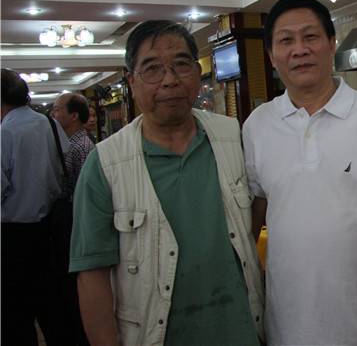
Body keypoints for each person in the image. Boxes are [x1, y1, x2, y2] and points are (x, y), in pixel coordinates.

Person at [69, 20, 264, 346]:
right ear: (132, 81)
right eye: (152, 69)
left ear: (197, 72)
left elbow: (253, 218)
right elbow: (92, 274)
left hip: (242, 332)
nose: (170, 80)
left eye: (181, 65)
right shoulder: (106, 164)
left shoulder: (233, 137)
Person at [243, 0, 357, 346]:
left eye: (311, 37)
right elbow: (255, 210)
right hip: (285, 323)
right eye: (286, 41)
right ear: (271, 56)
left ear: (331, 43)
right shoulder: (258, 125)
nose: (299, 50)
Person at [1, 68, 69, 346]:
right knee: (54, 308)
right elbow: (63, 164)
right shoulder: (49, 124)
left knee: (15, 316)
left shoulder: (5, 132)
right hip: (52, 230)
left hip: (13, 237)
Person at [49, 92, 96, 345]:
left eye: (57, 110)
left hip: (75, 224)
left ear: (74, 115)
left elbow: (85, 195)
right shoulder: (69, 144)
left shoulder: (82, 147)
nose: (53, 114)